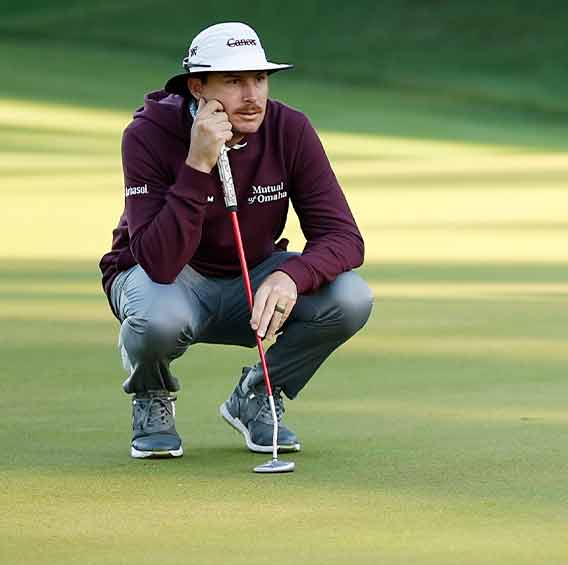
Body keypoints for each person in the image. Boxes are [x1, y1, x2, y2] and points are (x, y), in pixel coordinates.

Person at [98, 21, 373, 459]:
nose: (252, 95)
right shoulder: (148, 134)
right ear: (197, 87)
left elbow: (344, 237)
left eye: (259, 79)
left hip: (254, 279)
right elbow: (158, 262)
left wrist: (291, 276)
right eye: (234, 81)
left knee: (352, 298)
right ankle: (152, 398)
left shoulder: (289, 129)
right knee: (157, 318)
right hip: (168, 280)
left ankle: (257, 393)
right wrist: (197, 164)